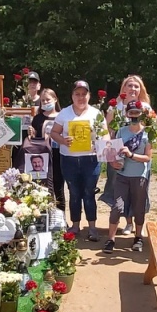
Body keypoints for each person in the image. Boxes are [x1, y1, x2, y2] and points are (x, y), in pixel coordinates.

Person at [50, 80, 108, 241]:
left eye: (84, 94)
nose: (81, 97)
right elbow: (54, 133)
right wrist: (62, 140)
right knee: (74, 193)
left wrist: (98, 142)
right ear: (72, 96)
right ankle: (75, 226)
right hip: (69, 159)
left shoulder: (96, 114)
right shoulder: (64, 113)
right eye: (77, 94)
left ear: (89, 95)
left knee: (89, 193)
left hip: (91, 160)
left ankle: (92, 227)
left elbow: (106, 135)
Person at [103, 104, 153, 254]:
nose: (134, 115)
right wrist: (113, 161)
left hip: (139, 177)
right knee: (117, 207)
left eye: (137, 112)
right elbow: (113, 153)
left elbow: (148, 157)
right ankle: (111, 239)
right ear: (127, 114)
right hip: (122, 176)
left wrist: (131, 155)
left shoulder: (147, 134)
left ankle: (138, 237)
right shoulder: (121, 131)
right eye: (131, 112)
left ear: (142, 114)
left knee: (138, 207)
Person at [31, 88, 65, 210]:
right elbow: (33, 138)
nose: (45, 102)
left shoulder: (62, 116)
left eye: (48, 99)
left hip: (59, 155)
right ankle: (44, 216)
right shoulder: (37, 118)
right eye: (43, 100)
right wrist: (32, 133)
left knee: (59, 186)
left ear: (55, 99)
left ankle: (60, 217)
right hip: (42, 156)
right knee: (43, 186)